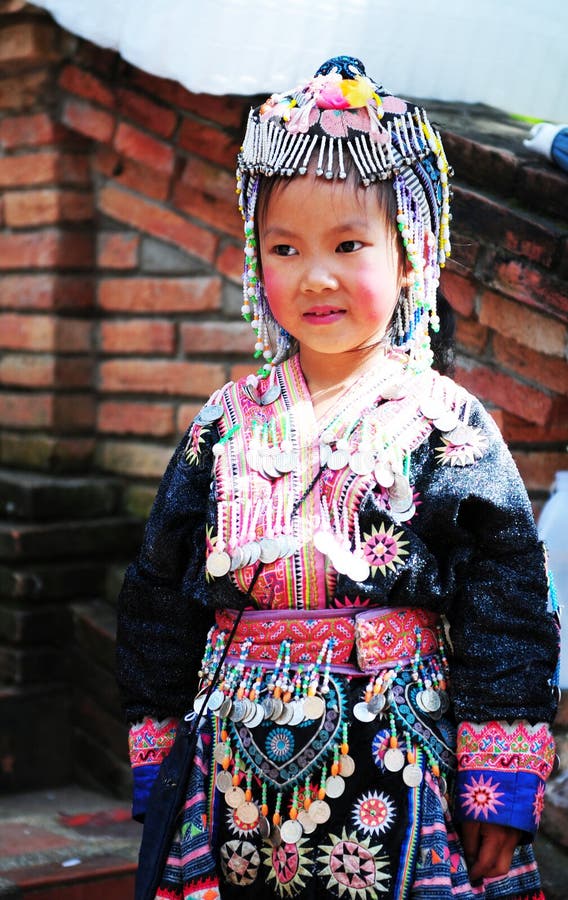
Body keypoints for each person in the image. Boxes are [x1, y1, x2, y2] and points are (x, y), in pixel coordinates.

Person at [117, 56, 559, 900]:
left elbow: (508, 607)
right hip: (226, 782)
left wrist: (497, 782)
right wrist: (158, 756)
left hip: (399, 772)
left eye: (348, 244)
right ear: (256, 260)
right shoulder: (223, 424)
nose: (314, 274)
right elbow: (158, 594)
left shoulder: (447, 424)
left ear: (411, 255)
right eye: (285, 247)